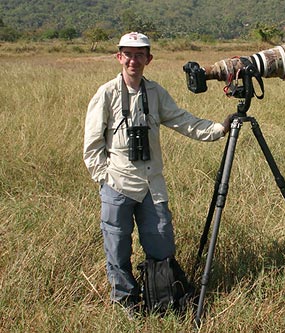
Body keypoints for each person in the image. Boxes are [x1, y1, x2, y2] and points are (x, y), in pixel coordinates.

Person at [83, 32, 230, 314]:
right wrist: (105, 178)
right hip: (118, 183)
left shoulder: (156, 92)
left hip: (152, 184)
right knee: (117, 248)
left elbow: (182, 120)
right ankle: (126, 301)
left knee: (162, 243)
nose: (133, 60)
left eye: (139, 55)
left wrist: (218, 129)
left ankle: (160, 298)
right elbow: (92, 145)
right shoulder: (106, 93)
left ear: (148, 59)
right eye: (127, 54)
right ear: (119, 57)